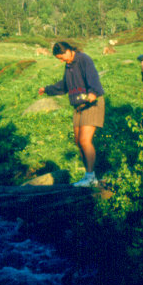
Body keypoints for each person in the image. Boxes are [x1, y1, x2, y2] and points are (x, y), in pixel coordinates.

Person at [38, 42, 105, 187]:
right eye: (59, 59)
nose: (62, 61)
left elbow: (93, 77)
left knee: (85, 141)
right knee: (78, 142)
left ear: (69, 51)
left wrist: (93, 92)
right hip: (78, 106)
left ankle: (91, 177)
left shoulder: (83, 59)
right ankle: (88, 176)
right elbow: (64, 85)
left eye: (62, 57)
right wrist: (47, 89)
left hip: (92, 103)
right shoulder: (68, 65)